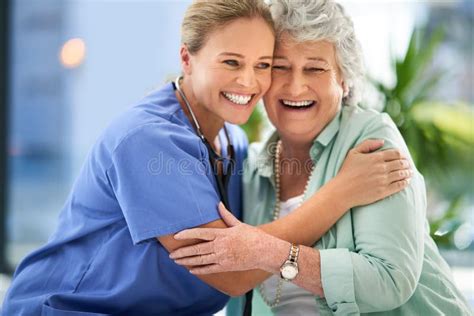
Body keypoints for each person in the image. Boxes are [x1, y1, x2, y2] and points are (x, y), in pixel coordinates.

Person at [2, 1, 411, 315]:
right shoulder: (148, 139)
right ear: (187, 58)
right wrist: (339, 194)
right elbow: (230, 272)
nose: (249, 81)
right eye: (231, 62)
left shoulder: (231, 140)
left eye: (263, 65)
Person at [170, 0, 473, 315]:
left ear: (343, 80)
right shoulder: (252, 165)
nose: (295, 86)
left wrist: (268, 251)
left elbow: (388, 281)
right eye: (279, 67)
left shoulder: (372, 142)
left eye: (315, 68)